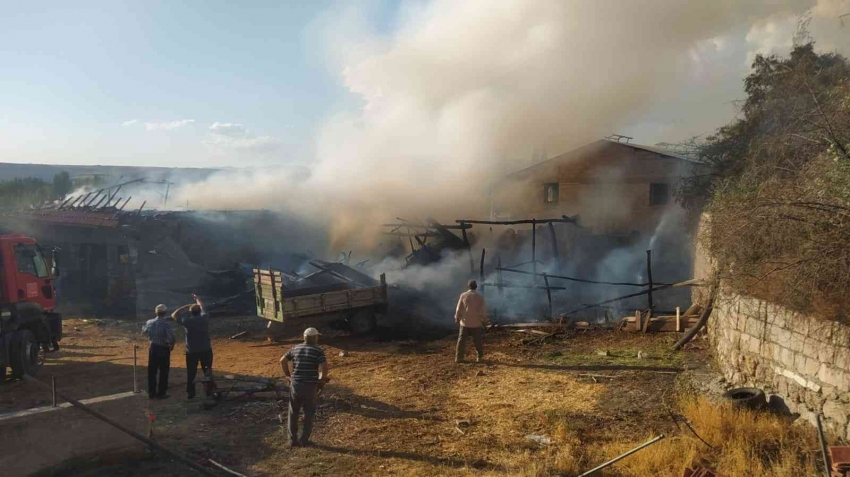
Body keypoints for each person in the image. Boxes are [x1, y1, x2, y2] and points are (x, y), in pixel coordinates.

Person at [280, 327, 329, 447]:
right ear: (315, 338)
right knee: (308, 412)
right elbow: (324, 367)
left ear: (304, 337)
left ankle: (292, 440)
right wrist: (322, 380)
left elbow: (282, 360)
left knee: (293, 412)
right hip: (310, 386)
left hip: (295, 384)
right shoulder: (318, 350)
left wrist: (288, 375)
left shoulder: (295, 348)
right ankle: (304, 440)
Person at [171, 294, 212, 399]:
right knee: (207, 371)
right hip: (206, 349)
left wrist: (185, 306)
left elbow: (174, 315)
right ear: (199, 311)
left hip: (192, 351)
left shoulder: (187, 321)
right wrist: (198, 299)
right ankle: (210, 390)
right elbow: (203, 308)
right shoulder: (204, 318)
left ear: (190, 312)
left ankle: (191, 392)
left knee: (191, 372)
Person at [142, 304, 175, 399]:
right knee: (164, 371)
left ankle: (151, 393)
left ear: (155, 312)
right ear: (165, 313)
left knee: (152, 371)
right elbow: (171, 338)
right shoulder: (166, 324)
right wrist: (171, 345)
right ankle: (162, 393)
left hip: (152, 348)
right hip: (163, 349)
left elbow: (144, 332)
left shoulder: (149, 322)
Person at [454, 280, 486, 363]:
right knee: (477, 340)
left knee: (461, 340)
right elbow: (482, 311)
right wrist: (483, 320)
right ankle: (479, 357)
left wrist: (457, 317)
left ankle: (459, 358)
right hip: (476, 323)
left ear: (468, 286)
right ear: (476, 287)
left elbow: (459, 308)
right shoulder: (480, 297)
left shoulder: (463, 295)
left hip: (465, 322)